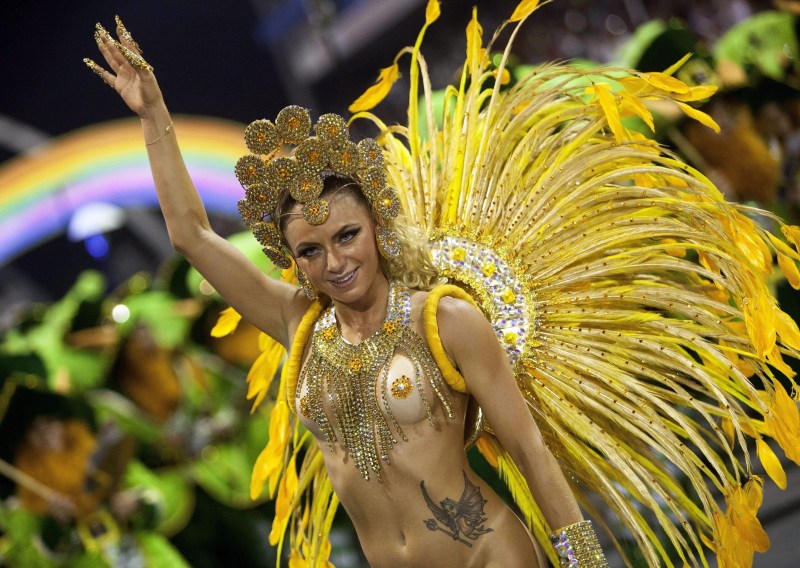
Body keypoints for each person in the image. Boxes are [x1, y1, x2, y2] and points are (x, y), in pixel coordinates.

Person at [86, 3, 800, 568]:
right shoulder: (295, 324)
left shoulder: (444, 321)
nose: (334, 261)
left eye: (346, 236)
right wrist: (154, 116)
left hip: (489, 556)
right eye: (310, 250)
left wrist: (582, 559)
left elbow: (529, 450)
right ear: (292, 259)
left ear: (376, 226)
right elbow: (191, 234)